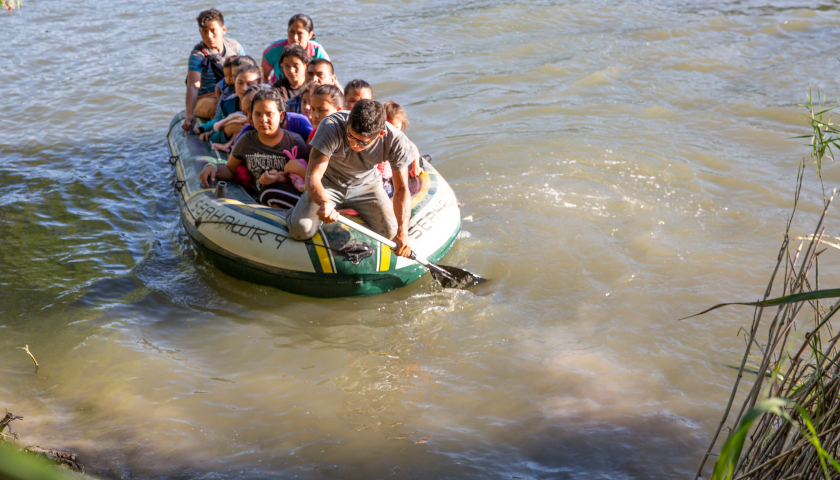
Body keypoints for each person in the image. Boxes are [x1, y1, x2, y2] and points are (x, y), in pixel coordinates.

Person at [287, 99, 417, 258]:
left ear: (380, 134)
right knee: (301, 230)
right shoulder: (331, 126)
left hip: (368, 186)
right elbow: (313, 176)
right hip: (329, 183)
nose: (354, 144)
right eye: (350, 136)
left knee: (392, 234)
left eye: (362, 142)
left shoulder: (395, 140)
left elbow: (402, 189)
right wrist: (324, 203)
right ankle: (293, 213)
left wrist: (402, 231)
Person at [200, 89, 309, 209]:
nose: (263, 119)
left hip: (285, 202)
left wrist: (281, 178)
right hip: (256, 204)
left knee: (270, 192)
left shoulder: (294, 142)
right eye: (258, 114)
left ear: (281, 115)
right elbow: (230, 170)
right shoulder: (246, 140)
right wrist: (212, 167)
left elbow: (304, 180)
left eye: (269, 114)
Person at [182, 9, 244, 131]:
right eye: (204, 32)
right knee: (219, 108)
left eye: (213, 31)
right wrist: (189, 114)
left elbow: (247, 71)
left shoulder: (234, 46)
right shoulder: (197, 56)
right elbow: (193, 86)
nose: (209, 36)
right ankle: (219, 138)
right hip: (206, 98)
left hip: (230, 92)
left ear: (223, 30)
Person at [197, 64, 262, 148]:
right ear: (235, 82)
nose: (244, 88)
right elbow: (214, 136)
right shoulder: (228, 103)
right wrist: (228, 130)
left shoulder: (265, 104)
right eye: (240, 83)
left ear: (260, 85)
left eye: (249, 84)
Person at [261, 13, 330, 85]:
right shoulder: (274, 50)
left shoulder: (318, 52)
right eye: (292, 32)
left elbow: (329, 78)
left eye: (300, 33)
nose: (295, 38)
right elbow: (264, 76)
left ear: (310, 35)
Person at [273, 45, 309, 112]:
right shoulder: (277, 89)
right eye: (287, 66)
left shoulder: (312, 85)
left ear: (305, 66)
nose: (291, 70)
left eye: (296, 66)